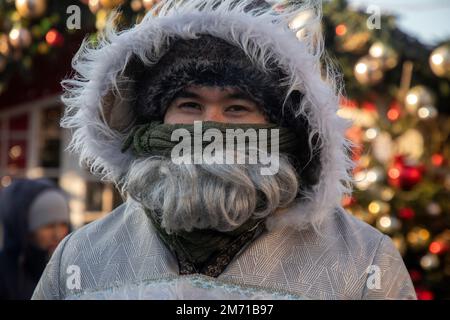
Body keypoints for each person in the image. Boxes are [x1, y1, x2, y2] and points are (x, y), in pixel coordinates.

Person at [33, 0, 416, 299]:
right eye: (189, 105)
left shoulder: (362, 259)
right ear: (157, 120)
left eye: (237, 108)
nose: (209, 126)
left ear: (279, 128)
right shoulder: (83, 256)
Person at [0, 178, 70, 299]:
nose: (58, 234)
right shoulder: (5, 273)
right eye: (49, 226)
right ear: (25, 228)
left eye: (63, 224)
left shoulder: (72, 267)